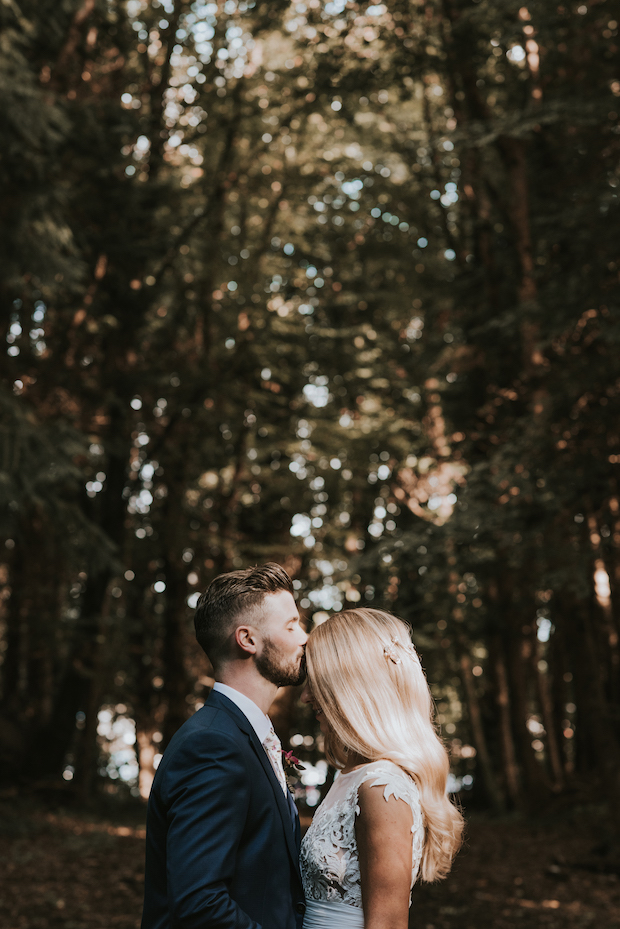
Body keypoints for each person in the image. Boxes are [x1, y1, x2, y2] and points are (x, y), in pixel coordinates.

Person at [141, 563, 308, 929]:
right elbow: (199, 903)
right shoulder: (212, 745)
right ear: (247, 640)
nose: (304, 637)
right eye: (291, 625)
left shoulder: (242, 734)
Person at [300, 608, 464, 929]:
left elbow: (387, 924)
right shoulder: (351, 773)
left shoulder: (381, 787)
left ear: (352, 686)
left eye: (317, 682)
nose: (306, 696)